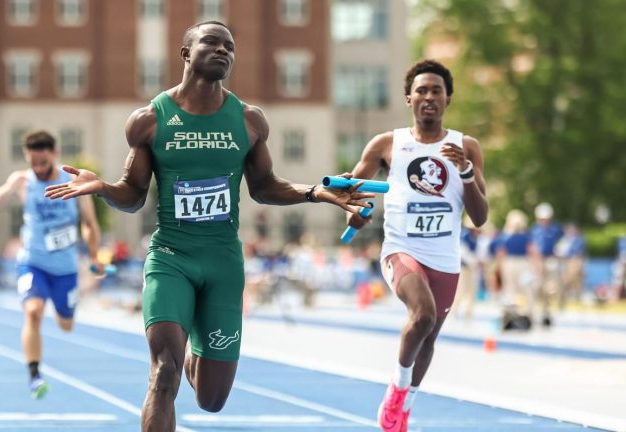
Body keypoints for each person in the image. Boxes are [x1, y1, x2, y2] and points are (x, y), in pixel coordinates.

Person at [44, 20, 372, 431]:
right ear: (186, 53)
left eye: (229, 47)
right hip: (170, 258)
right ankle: (177, 346)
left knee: (211, 399)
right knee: (164, 373)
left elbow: (266, 187)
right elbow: (131, 195)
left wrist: (316, 193)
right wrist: (103, 187)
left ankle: (196, 341)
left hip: (222, 262)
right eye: (212, 43)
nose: (223, 51)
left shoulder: (249, 120)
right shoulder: (149, 120)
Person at [346, 59, 488, 432]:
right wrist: (357, 214)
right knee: (421, 315)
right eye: (421, 90)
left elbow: (481, 216)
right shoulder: (387, 144)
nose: (428, 97)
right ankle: (397, 388)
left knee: (428, 338)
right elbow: (353, 204)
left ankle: (405, 405)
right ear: (408, 98)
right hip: (401, 250)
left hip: (445, 258)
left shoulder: (466, 147)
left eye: (436, 91)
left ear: (447, 99)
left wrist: (466, 173)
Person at [0, 130, 103, 400]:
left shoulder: (74, 182)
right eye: (34, 162)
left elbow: (89, 223)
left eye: (43, 163)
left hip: (65, 268)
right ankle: (34, 375)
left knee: (66, 323)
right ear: (27, 157)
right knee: (32, 311)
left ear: (55, 154)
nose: (39, 168)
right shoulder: (22, 181)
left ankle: (66, 307)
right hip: (33, 262)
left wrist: (93, 256)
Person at [530, 202, 563, 326]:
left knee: (550, 288)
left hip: (550, 260)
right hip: (538, 261)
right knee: (537, 287)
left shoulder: (555, 229)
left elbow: (562, 243)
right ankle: (537, 312)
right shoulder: (534, 230)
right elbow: (532, 247)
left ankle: (547, 312)